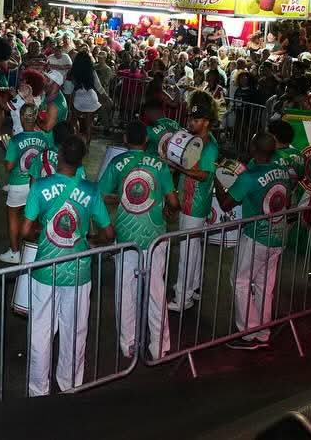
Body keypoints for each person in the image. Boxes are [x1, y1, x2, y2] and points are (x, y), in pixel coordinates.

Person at [22, 134, 113, 396]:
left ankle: (38, 390)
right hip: (79, 270)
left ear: (59, 155)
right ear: (81, 160)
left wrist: (42, 232)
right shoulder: (91, 190)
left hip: (45, 269)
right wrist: (90, 241)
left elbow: (25, 231)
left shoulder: (40, 187)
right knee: (75, 331)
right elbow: (108, 233)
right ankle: (70, 385)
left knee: (41, 330)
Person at [98, 122, 177, 360]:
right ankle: (159, 346)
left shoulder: (116, 163)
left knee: (125, 291)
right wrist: (167, 210)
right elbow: (173, 202)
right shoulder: (161, 165)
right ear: (146, 140)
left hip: (125, 237)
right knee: (156, 291)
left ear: (125, 139)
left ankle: (128, 344)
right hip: (155, 237)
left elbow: (100, 195)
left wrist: (120, 198)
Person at [214, 132, 295, 351]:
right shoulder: (283, 172)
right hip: (278, 236)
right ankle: (263, 331)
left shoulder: (249, 178)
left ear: (253, 149)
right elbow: (288, 199)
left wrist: (217, 181)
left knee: (240, 280)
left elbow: (225, 204)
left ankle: (248, 333)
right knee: (265, 285)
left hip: (256, 238)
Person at [168, 98, 218, 311]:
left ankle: (182, 298)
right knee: (193, 246)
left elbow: (204, 174)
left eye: (196, 120)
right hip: (190, 201)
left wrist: (178, 168)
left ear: (206, 122)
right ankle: (193, 287)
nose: (191, 122)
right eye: (191, 118)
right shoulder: (197, 139)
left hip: (195, 204)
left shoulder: (209, 146)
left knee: (187, 251)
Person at [1, 103, 53, 264]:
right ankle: (32, 252)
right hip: (38, 184)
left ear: (22, 118)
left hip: (18, 184)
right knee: (33, 219)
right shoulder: (44, 138)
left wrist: (6, 150)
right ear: (36, 117)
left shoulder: (15, 140)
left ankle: (15, 252)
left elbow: (9, 166)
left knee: (13, 217)